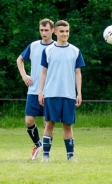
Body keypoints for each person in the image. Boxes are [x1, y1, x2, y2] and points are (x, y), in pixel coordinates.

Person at [38, 20, 85, 162]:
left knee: (67, 125)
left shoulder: (75, 51)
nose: (65, 34)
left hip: (68, 94)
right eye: (62, 31)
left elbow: (78, 73)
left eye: (67, 31)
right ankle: (45, 155)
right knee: (49, 124)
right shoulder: (48, 50)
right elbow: (44, 72)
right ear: (55, 32)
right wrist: (41, 92)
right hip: (51, 93)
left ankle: (70, 156)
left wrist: (79, 93)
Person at [17, 18, 55, 160]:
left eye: (46, 30)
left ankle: (46, 152)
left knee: (48, 123)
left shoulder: (56, 47)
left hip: (50, 91)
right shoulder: (33, 46)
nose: (44, 33)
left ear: (52, 31)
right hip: (33, 90)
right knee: (29, 121)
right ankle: (38, 144)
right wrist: (24, 75)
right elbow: (19, 60)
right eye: (41, 30)